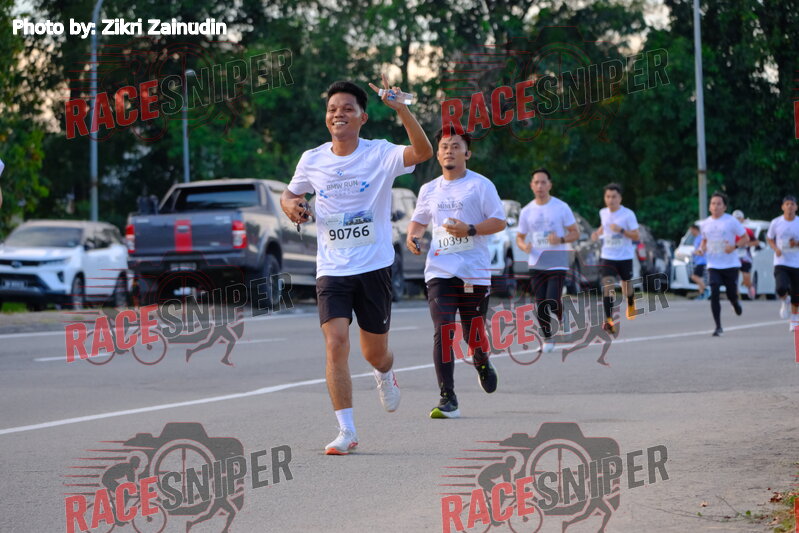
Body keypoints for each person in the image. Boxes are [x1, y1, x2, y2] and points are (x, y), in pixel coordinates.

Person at [280, 78, 433, 455]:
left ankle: (385, 372)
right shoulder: (312, 159)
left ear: (363, 117)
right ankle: (346, 430)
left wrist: (401, 109)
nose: (339, 114)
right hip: (332, 267)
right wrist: (291, 206)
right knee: (335, 343)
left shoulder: (379, 153)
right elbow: (290, 194)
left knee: (374, 353)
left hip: (374, 266)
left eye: (348, 109)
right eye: (332, 109)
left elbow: (423, 151)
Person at [405, 129, 505, 419]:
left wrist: (471, 229)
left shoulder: (480, 185)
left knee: (473, 333)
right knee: (444, 329)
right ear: (437, 154)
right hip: (440, 270)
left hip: (473, 271)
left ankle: (481, 359)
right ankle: (448, 398)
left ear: (467, 153)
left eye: (456, 146)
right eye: (444, 146)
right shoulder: (429, 189)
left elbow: (499, 221)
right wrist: (413, 237)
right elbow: (418, 222)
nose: (449, 150)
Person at [515, 169, 579, 353]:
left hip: (557, 261)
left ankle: (561, 316)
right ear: (531, 185)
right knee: (540, 303)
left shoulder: (561, 207)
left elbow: (575, 233)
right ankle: (548, 339)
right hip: (536, 262)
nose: (540, 186)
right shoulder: (526, 211)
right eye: (536, 182)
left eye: (543, 182)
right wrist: (524, 246)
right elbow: (519, 237)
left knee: (552, 300)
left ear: (550, 185)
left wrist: (560, 239)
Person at [696, 191, 749, 336]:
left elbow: (745, 238)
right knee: (714, 292)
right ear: (709, 207)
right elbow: (704, 240)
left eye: (719, 204)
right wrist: (701, 249)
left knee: (731, 294)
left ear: (724, 207)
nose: (715, 206)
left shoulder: (731, 221)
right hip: (713, 264)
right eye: (713, 203)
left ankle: (735, 303)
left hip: (730, 264)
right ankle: (718, 327)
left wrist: (734, 247)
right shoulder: (705, 223)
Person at [590, 183, 640, 334]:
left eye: (614, 197)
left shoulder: (628, 214)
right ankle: (609, 320)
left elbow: (636, 236)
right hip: (607, 256)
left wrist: (622, 230)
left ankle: (630, 302)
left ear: (620, 198)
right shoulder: (603, 212)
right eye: (608, 197)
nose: (610, 200)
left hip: (624, 256)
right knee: (608, 286)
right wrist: (597, 233)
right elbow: (604, 227)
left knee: (626, 285)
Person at [766, 195, 799, 331]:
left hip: (796, 263)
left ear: (796, 207)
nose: (790, 206)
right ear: (782, 207)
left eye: (792, 204)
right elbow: (769, 238)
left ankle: (794, 320)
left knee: (796, 294)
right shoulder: (776, 222)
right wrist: (775, 249)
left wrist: (796, 243)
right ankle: (785, 300)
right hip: (781, 261)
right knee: (781, 287)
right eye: (787, 204)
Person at [732, 209, 757, 299]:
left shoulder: (747, 231)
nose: (737, 220)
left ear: (743, 219)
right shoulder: (730, 231)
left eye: (739, 218)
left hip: (745, 258)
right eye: (735, 218)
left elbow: (756, 242)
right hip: (733, 257)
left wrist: (746, 244)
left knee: (746, 280)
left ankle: (750, 286)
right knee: (734, 279)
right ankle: (735, 298)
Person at [689, 224, 710, 299]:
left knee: (694, 277)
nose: (691, 232)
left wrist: (694, 252)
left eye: (691, 230)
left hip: (702, 261)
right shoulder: (697, 238)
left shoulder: (701, 238)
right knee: (699, 279)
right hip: (698, 261)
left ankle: (706, 289)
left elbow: (703, 249)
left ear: (695, 229)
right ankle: (702, 294)